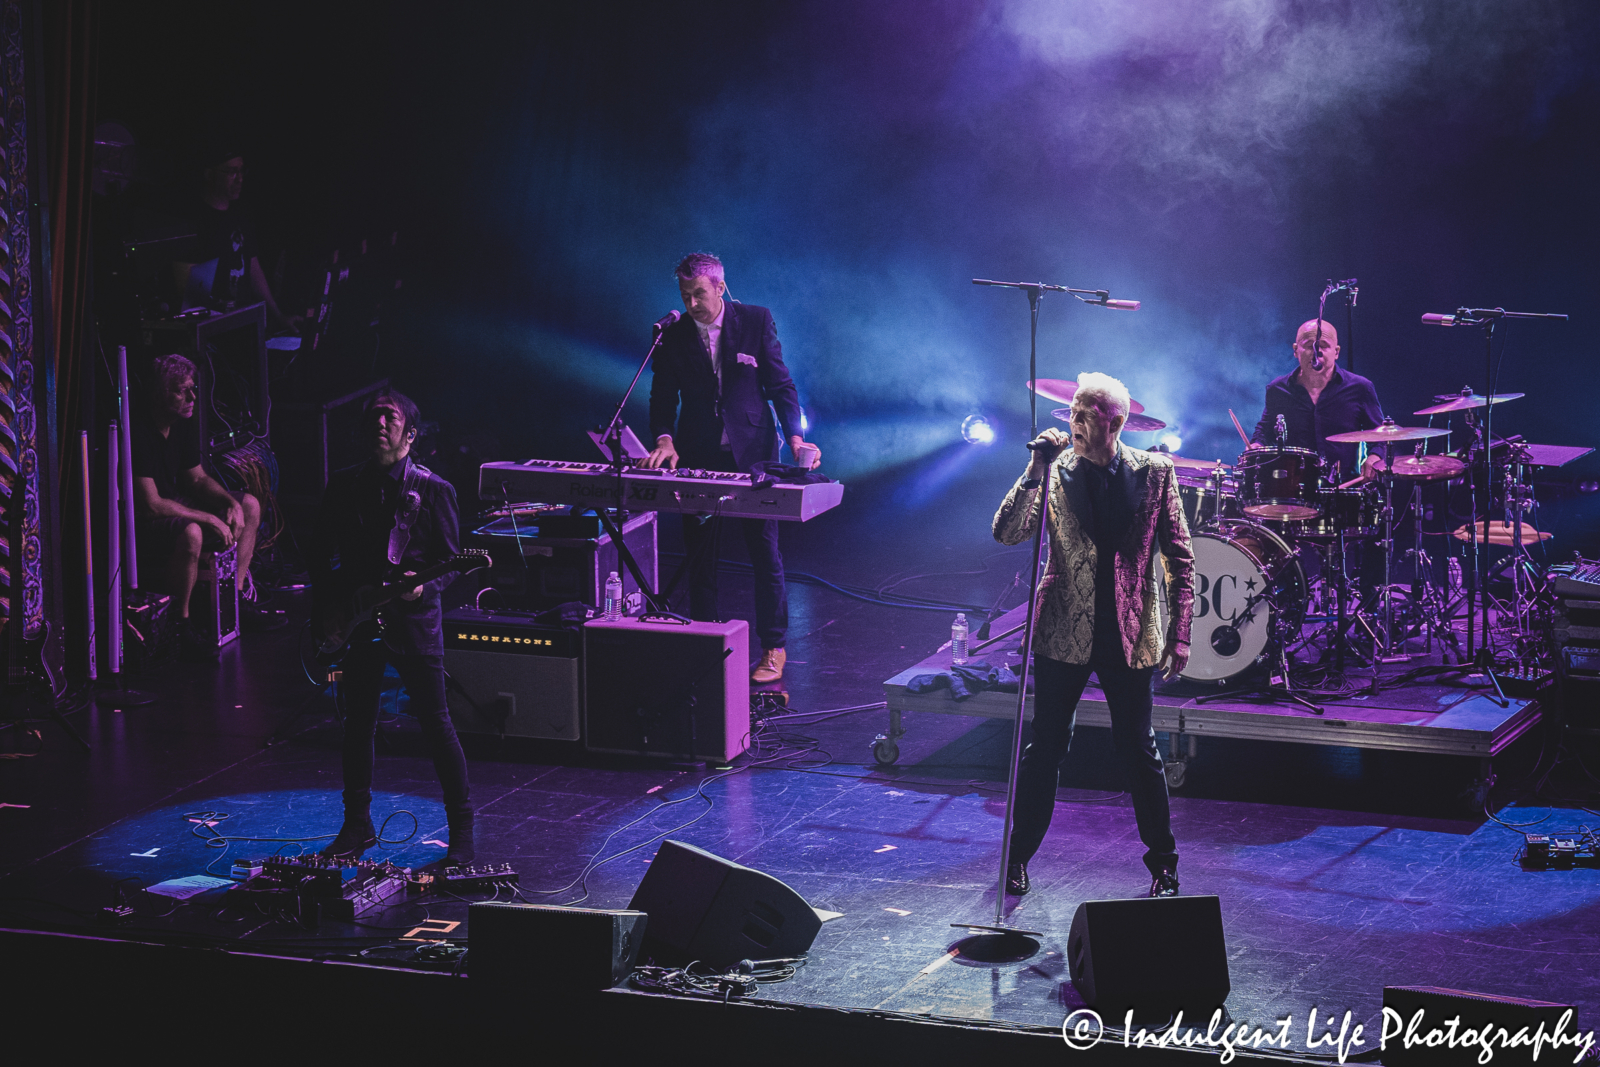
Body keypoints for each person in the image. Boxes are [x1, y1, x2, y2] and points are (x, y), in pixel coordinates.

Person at [992, 372, 1195, 898]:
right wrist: (1034, 466)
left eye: (1085, 414)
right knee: (1046, 747)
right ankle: (1016, 859)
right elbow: (1006, 531)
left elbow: (1180, 557)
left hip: (1130, 632)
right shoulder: (1054, 470)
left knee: (1138, 749)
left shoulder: (1155, 473)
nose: (1073, 422)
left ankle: (1165, 867)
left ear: (1115, 422)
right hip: (1063, 627)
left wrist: (1181, 634)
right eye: (1072, 412)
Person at [310, 389, 473, 864]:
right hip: (361, 624)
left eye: (391, 416)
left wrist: (422, 590)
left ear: (410, 434)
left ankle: (462, 828)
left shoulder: (433, 490)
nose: (381, 423)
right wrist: (338, 603)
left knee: (437, 725)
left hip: (414, 626)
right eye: (374, 416)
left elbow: (450, 563)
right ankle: (356, 825)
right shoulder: (343, 486)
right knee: (357, 726)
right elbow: (319, 554)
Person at [643, 253, 821, 684]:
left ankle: (773, 648)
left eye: (699, 294)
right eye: (685, 296)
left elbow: (780, 383)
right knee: (700, 554)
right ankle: (707, 640)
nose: (692, 304)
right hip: (700, 454)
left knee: (764, 552)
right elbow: (662, 399)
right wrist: (665, 439)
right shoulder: (673, 335)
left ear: (720, 287)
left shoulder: (756, 320)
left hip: (754, 455)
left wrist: (795, 437)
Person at [131, 353, 281, 656]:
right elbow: (150, 504)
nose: (192, 397)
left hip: (171, 503)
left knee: (249, 505)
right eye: (181, 390)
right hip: (141, 520)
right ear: (161, 393)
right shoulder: (139, 431)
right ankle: (181, 627)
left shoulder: (181, 423)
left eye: (192, 388)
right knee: (192, 533)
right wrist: (209, 519)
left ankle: (236, 603)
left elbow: (197, 480)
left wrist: (228, 503)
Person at [172, 144, 302, 333]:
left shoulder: (241, 213)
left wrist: (278, 315)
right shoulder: (193, 222)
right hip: (214, 329)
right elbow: (188, 292)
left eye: (241, 171)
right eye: (232, 172)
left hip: (244, 322)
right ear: (209, 174)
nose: (240, 179)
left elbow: (252, 266)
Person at [1249, 318, 1384, 483]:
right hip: (1292, 488)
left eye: (1324, 345)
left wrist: (1374, 456)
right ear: (1295, 350)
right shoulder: (1278, 390)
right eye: (1308, 345)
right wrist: (1256, 446)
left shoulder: (1361, 388)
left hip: (1344, 488)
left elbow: (1380, 435)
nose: (1316, 351)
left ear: (1336, 352)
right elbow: (1265, 430)